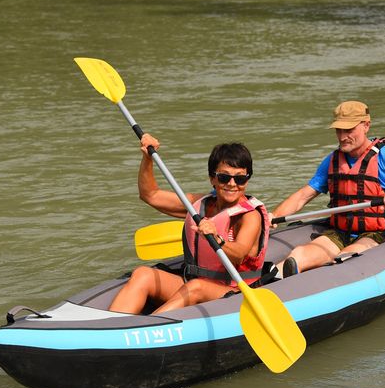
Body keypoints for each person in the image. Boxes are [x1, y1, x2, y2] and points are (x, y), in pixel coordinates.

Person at [271, 100, 385, 277]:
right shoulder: (332, 160)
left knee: (346, 258)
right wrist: (273, 216)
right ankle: (273, 284)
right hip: (340, 231)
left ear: (366, 126)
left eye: (349, 130)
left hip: (377, 233)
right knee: (298, 255)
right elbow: (303, 196)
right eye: (339, 130)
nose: (343, 136)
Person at [109, 134, 269, 315]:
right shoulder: (198, 204)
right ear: (212, 179)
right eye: (224, 177)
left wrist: (217, 238)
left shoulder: (250, 215)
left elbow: (239, 254)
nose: (232, 184)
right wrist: (147, 158)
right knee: (143, 274)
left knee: (196, 287)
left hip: (236, 291)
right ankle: (109, 324)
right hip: (195, 280)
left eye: (240, 178)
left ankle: (144, 328)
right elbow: (150, 195)